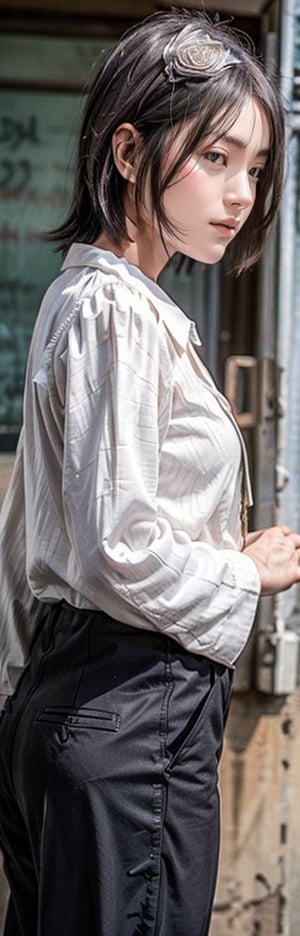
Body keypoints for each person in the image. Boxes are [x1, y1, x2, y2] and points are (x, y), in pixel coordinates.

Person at [0, 8, 300, 936]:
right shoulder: (113, 314)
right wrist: (243, 572)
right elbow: (116, 546)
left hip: (91, 706)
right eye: (213, 157)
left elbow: (34, 530)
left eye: (254, 167)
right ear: (129, 151)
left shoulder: (101, 302)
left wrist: (22, 698)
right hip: (130, 714)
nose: (241, 192)